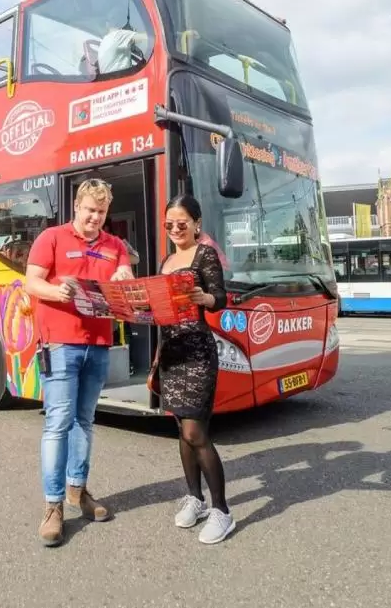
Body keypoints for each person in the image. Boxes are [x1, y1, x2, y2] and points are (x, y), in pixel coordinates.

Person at [24, 178, 135, 546]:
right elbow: (31, 283)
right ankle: (53, 505)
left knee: (84, 422)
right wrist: (57, 291)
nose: (95, 218)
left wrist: (123, 277)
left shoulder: (115, 245)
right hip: (59, 344)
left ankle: (77, 490)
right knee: (58, 423)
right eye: (90, 210)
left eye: (101, 212)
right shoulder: (51, 238)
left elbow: (127, 286)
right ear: (77, 206)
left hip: (98, 344)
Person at [152, 194, 234, 544]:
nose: (174, 229)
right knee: (181, 431)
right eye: (168, 224)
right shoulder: (166, 261)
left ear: (196, 223)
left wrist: (205, 299)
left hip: (198, 351)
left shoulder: (205, 254)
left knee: (196, 432)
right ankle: (195, 499)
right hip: (171, 352)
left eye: (181, 222)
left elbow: (221, 297)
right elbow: (161, 315)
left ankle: (222, 511)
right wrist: (156, 361)